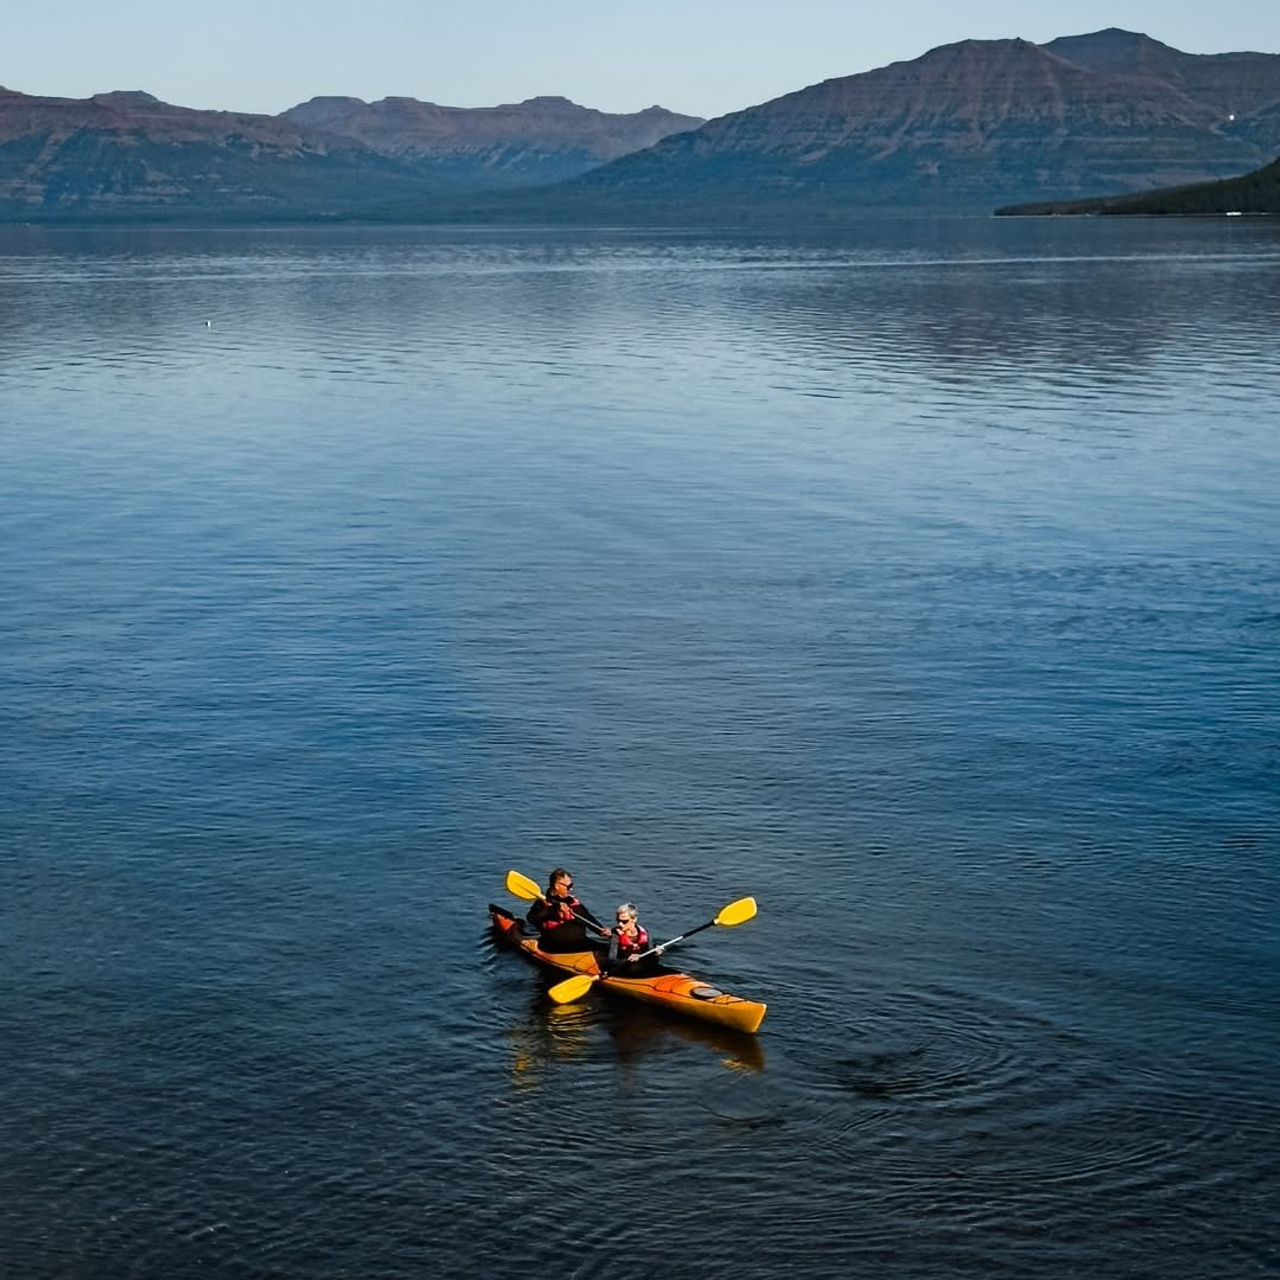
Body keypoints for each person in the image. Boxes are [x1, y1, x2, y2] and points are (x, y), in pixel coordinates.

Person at [526, 868, 609, 954]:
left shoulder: (572, 902)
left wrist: (600, 930)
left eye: (571, 885)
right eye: (568, 886)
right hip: (555, 947)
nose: (571, 889)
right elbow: (531, 919)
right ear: (556, 886)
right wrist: (553, 909)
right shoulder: (542, 903)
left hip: (580, 943)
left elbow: (588, 918)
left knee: (608, 948)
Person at [603, 903, 665, 977]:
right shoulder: (616, 934)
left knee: (654, 955)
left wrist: (657, 952)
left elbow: (649, 952)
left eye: (624, 921)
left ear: (634, 919)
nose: (620, 924)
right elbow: (611, 960)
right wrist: (627, 960)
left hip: (642, 965)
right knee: (634, 968)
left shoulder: (644, 931)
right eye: (618, 920)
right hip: (623, 967)